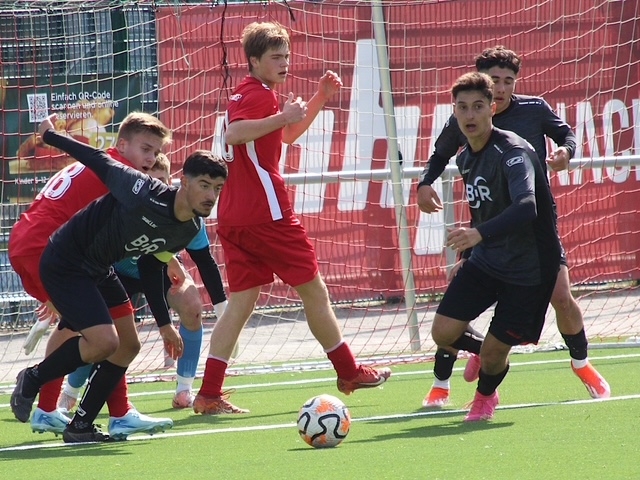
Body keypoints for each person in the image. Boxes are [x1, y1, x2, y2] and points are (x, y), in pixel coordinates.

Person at [192, 21, 391, 415]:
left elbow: (285, 136)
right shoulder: (258, 95)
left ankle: (209, 393)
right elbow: (235, 134)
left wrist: (319, 98)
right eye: (275, 57)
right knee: (314, 291)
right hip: (266, 214)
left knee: (240, 304)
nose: (284, 63)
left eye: (286, 56)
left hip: (235, 216)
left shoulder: (251, 93)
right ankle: (349, 371)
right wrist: (282, 116)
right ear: (253, 61)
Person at [10, 113, 227, 442]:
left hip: (91, 262)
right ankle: (40, 390)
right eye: (146, 149)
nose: (151, 159)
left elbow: (152, 265)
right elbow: (95, 158)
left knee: (125, 343)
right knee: (93, 336)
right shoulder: (133, 182)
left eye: (156, 152)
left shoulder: (188, 225)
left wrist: (165, 322)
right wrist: (50, 136)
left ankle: (90, 421)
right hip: (56, 253)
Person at [417, 46, 610, 408]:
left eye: (508, 81)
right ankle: (444, 382)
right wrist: (425, 183)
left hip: (531, 230)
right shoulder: (466, 117)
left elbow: (566, 135)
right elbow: (440, 154)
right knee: (451, 314)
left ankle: (581, 363)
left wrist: (566, 151)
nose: (502, 88)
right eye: (495, 80)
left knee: (561, 297)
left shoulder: (531, 112)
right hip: (487, 228)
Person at [432, 71, 561, 421]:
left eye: (478, 106)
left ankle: (485, 397)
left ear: (492, 108)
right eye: (462, 107)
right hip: (488, 259)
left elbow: (527, 207)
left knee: (493, 355)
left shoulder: (513, 151)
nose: (470, 114)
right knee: (443, 332)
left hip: (530, 267)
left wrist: (478, 235)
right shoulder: (466, 158)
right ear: (454, 112)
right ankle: (485, 351)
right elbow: (482, 212)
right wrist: (468, 252)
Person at [57, 154, 229, 412]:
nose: (158, 187)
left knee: (192, 304)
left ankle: (184, 390)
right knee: (102, 335)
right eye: (152, 181)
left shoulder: (188, 216)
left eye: (163, 181)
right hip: (118, 273)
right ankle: (71, 392)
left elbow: (204, 261)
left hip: (159, 272)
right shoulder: (133, 205)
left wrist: (224, 315)